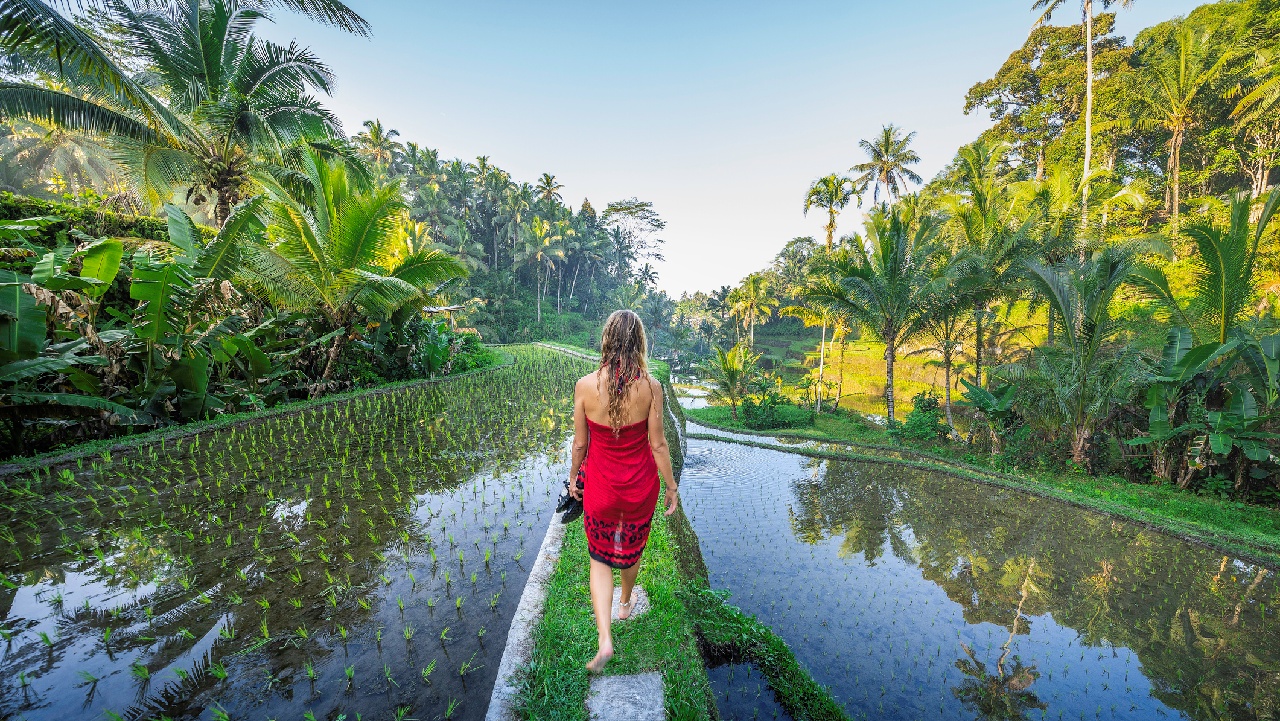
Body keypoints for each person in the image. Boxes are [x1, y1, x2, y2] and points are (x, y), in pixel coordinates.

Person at [568, 309, 679, 674]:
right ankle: (627, 602)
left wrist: (573, 479)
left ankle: (604, 640)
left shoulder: (585, 387)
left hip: (600, 490)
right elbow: (659, 446)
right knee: (630, 552)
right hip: (639, 491)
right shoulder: (651, 388)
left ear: (606, 340)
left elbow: (580, 446)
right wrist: (671, 487)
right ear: (640, 343)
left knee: (599, 559)